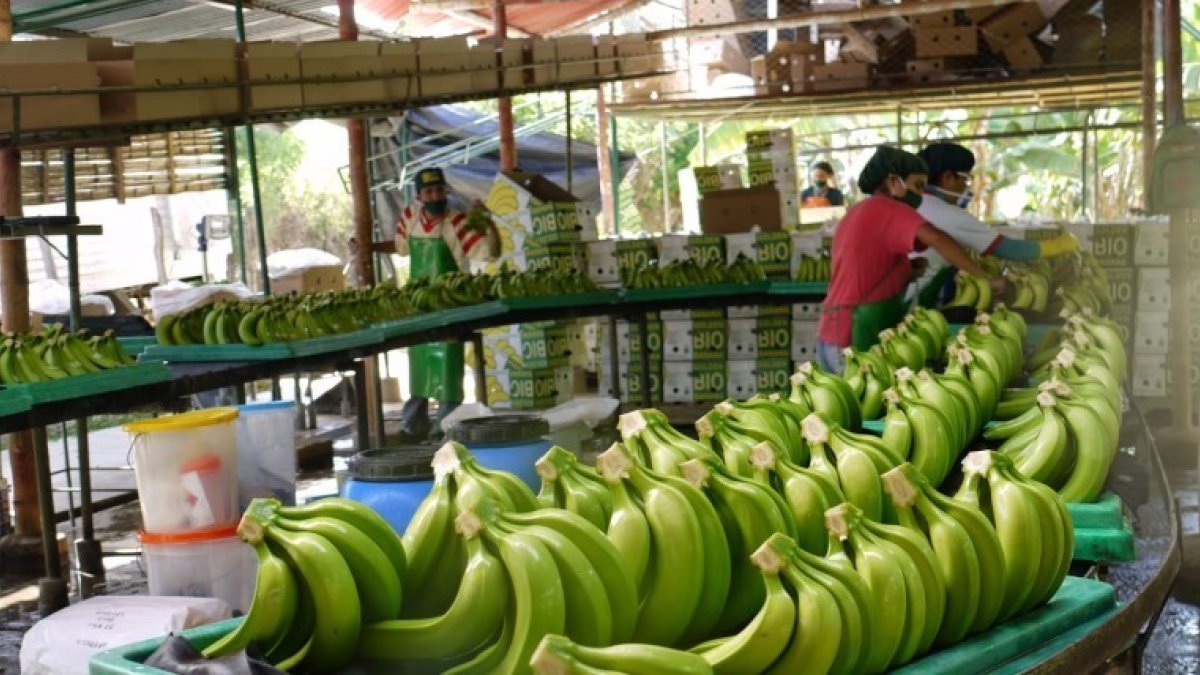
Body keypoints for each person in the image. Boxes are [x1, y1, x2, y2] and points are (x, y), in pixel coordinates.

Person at [816, 146, 1004, 374]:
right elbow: (937, 238)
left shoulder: (858, 211)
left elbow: (865, 267)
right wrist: (983, 278)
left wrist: (907, 269)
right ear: (895, 182)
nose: (920, 195)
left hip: (830, 333)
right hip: (852, 336)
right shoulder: (890, 208)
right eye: (917, 186)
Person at [375, 167, 500, 439]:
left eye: (439, 190)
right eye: (429, 191)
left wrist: (488, 224)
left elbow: (490, 252)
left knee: (448, 369)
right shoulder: (409, 217)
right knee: (419, 367)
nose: (435, 196)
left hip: (450, 305)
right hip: (420, 304)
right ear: (419, 195)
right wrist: (370, 248)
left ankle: (444, 429)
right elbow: (400, 247)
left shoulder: (459, 222)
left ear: (446, 192)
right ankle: (412, 426)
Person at [911, 142, 1078, 307]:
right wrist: (1060, 245)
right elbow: (1009, 249)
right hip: (913, 301)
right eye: (965, 179)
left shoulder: (914, 204)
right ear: (947, 178)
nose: (966, 188)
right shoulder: (948, 214)